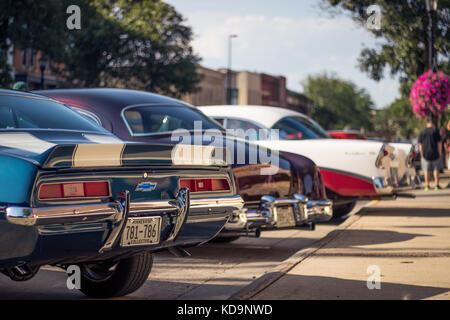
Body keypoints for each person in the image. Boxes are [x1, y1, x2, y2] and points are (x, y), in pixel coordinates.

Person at [418, 115, 442, 191]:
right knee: (436, 169)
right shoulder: (435, 131)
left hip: (425, 154)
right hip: (435, 153)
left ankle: (427, 185)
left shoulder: (423, 132)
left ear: (426, 122)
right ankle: (436, 185)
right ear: (432, 122)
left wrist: (421, 153)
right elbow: (439, 143)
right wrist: (440, 152)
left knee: (426, 170)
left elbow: (420, 144)